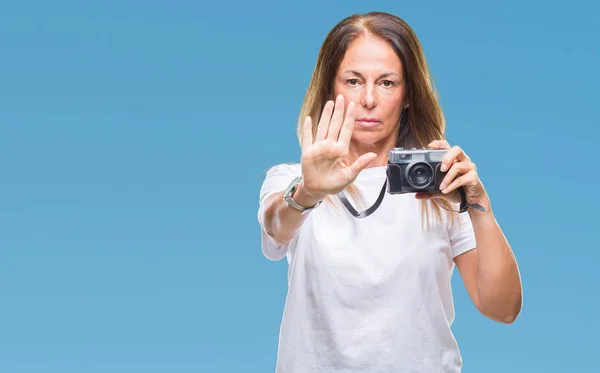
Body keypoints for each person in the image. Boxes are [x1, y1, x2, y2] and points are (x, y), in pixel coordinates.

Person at [257, 11, 522, 373]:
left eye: (386, 83)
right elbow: (276, 226)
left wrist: (479, 205)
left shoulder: (440, 188)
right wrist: (306, 193)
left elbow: (502, 307)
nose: (368, 99)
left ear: (408, 93)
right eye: (352, 81)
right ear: (330, 88)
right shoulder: (290, 179)